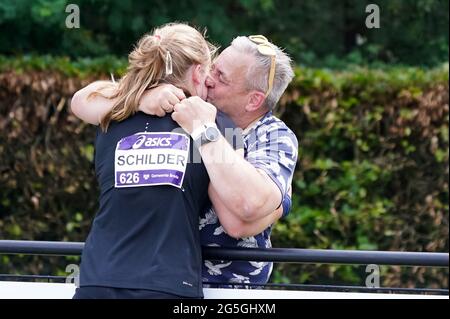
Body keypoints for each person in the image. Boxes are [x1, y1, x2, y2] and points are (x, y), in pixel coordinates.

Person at [72, 34, 298, 288]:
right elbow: (83, 99)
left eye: (221, 77)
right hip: (170, 282)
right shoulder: (182, 108)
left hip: (228, 285)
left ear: (254, 100)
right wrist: (142, 97)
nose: (208, 79)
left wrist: (205, 130)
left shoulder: (272, 136)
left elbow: (237, 220)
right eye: (212, 68)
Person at [71, 22, 219, 299]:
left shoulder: (111, 114)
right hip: (168, 284)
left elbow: (81, 99)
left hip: (97, 279)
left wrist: (136, 98)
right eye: (209, 74)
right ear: (198, 72)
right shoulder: (209, 124)